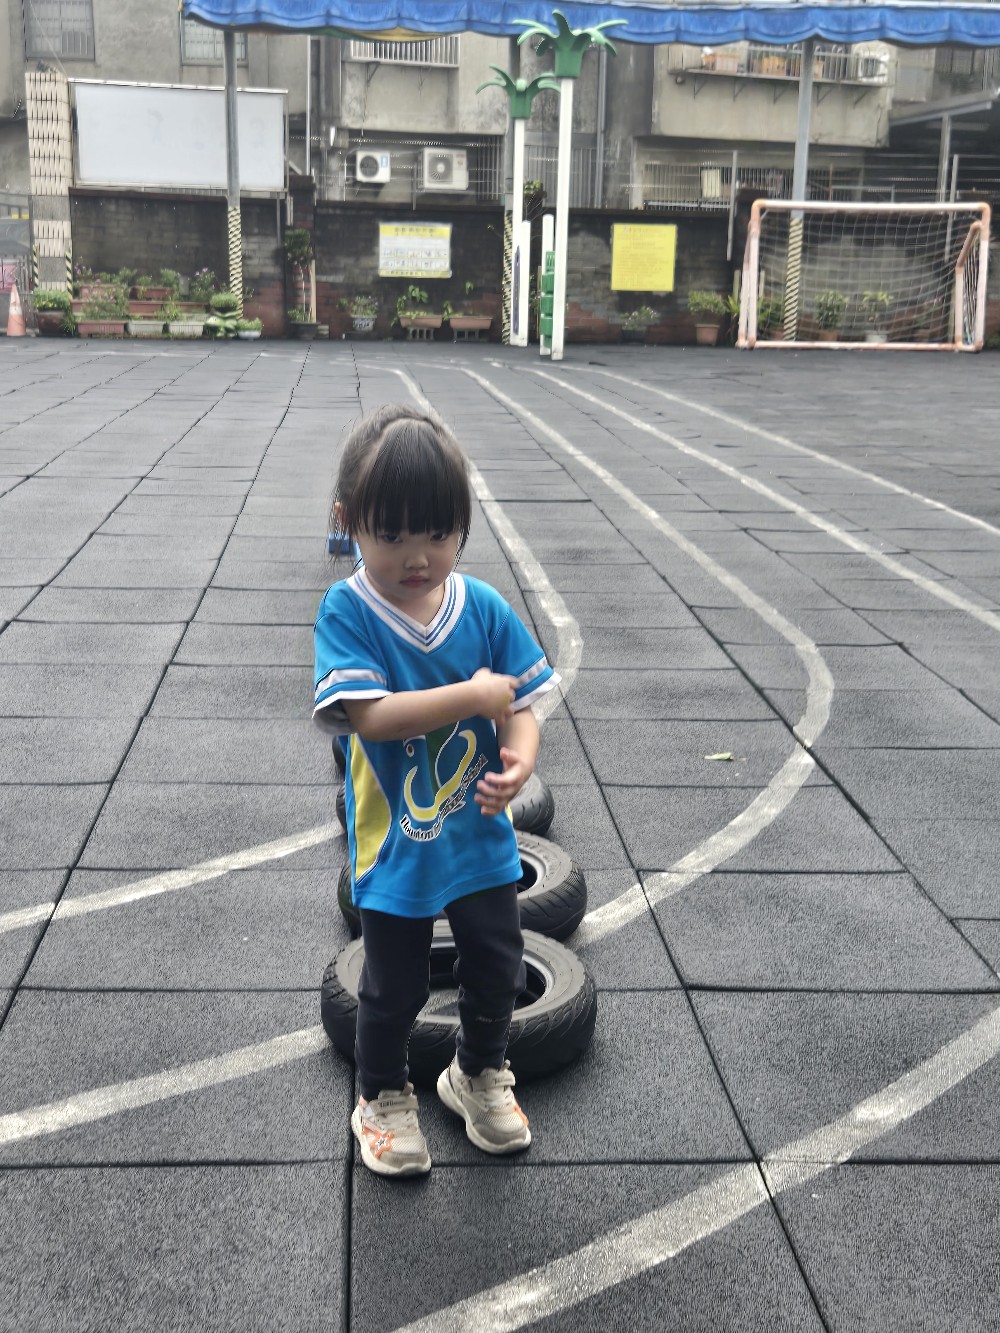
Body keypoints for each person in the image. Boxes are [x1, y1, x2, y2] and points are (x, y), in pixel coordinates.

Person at [313, 404, 559, 1178]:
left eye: (438, 533)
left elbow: (521, 705)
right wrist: (471, 696)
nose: (418, 556)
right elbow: (372, 717)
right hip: (397, 843)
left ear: (461, 525)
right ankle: (381, 1095)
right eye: (393, 535)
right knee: (393, 985)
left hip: (479, 836)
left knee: (499, 963)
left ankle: (478, 1070)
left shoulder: (481, 607)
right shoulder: (349, 612)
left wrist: (519, 758)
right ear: (349, 522)